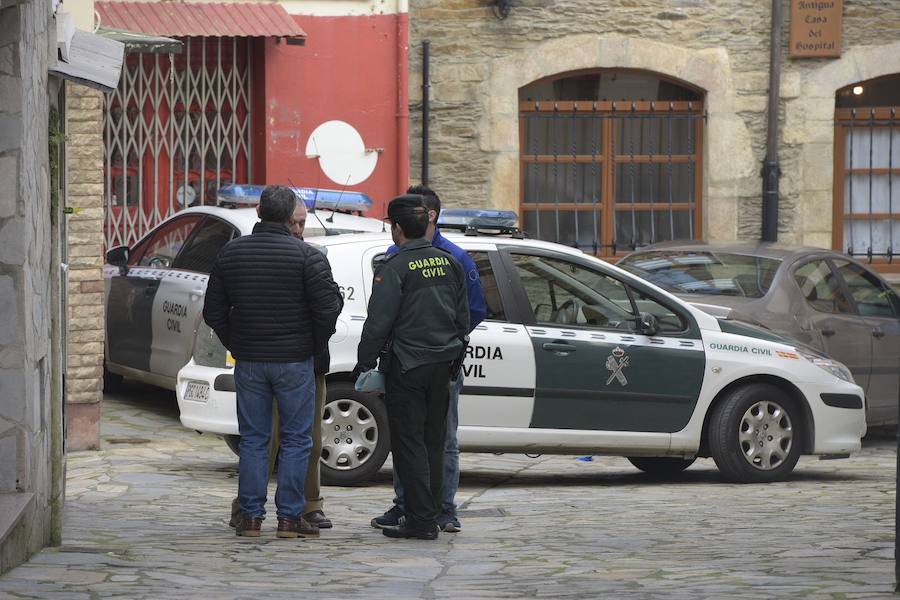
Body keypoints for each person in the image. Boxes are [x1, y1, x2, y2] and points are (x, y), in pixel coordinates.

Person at [204, 185, 342, 538]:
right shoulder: (308, 257)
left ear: (260, 213)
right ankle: (289, 518)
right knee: (297, 440)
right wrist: (313, 342)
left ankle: (250, 517)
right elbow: (328, 309)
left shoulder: (231, 254)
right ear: (287, 217)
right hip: (295, 360)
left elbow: (213, 311)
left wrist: (237, 341)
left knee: (253, 439)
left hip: (250, 359)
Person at [370, 185, 486, 534]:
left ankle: (443, 509)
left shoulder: (457, 259)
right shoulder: (396, 254)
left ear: (428, 216)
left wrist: (439, 338)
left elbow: (473, 311)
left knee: (441, 439)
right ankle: (407, 504)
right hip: (407, 361)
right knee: (407, 438)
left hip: (440, 363)